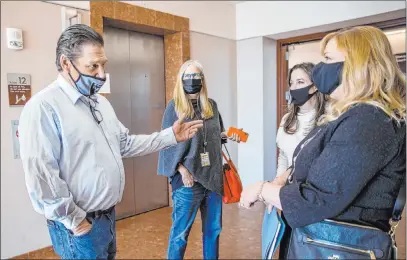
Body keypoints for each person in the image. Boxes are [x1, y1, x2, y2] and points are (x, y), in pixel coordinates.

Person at [18, 24, 203, 260]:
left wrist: (170, 137)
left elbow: (124, 144)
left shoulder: (99, 103)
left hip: (106, 217)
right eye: (92, 66)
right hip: (78, 225)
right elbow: (42, 175)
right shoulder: (44, 107)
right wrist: (76, 222)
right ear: (66, 63)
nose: (101, 74)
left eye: (103, 64)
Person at [240, 26, 406, 258]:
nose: (320, 68)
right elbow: (323, 160)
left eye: (328, 58)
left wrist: (262, 189)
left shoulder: (368, 120)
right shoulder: (352, 114)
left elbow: (317, 198)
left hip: (335, 246)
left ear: (357, 65)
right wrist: (284, 177)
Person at [157, 60, 240, 260]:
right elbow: (165, 143)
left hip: (212, 178)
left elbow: (214, 136)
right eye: (188, 77)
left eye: (197, 76)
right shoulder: (175, 107)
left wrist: (229, 135)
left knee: (213, 231)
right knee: (180, 235)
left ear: (203, 80)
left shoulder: (211, 106)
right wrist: (182, 170)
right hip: (188, 181)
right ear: (181, 80)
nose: (193, 81)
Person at [276, 62, 327, 177]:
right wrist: (278, 182)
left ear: (315, 86)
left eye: (300, 82)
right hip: (287, 187)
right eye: (291, 83)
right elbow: (283, 156)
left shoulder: (327, 119)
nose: (293, 88)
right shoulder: (286, 119)